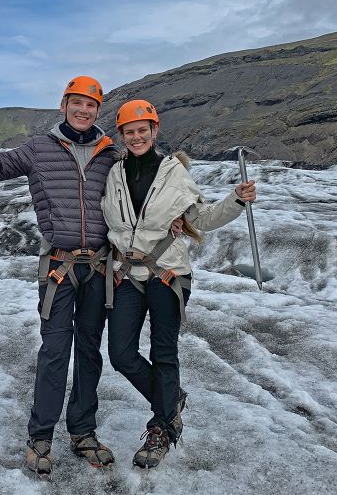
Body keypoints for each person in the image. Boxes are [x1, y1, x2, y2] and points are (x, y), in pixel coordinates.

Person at [0, 76, 117, 478]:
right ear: (63, 106)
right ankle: (40, 436)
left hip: (99, 267)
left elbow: (142, 194)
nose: (83, 110)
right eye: (76, 103)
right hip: (58, 268)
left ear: (98, 110)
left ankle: (82, 432)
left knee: (90, 352)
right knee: (55, 351)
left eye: (90, 105)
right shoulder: (39, 148)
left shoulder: (111, 153)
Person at [101, 99, 256, 468]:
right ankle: (172, 399)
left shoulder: (175, 173)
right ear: (121, 135)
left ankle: (162, 429)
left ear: (155, 131)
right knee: (121, 354)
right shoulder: (114, 173)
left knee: (164, 352)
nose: (137, 136)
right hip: (126, 273)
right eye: (129, 131)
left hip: (167, 274)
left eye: (144, 130)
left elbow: (202, 218)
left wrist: (235, 199)